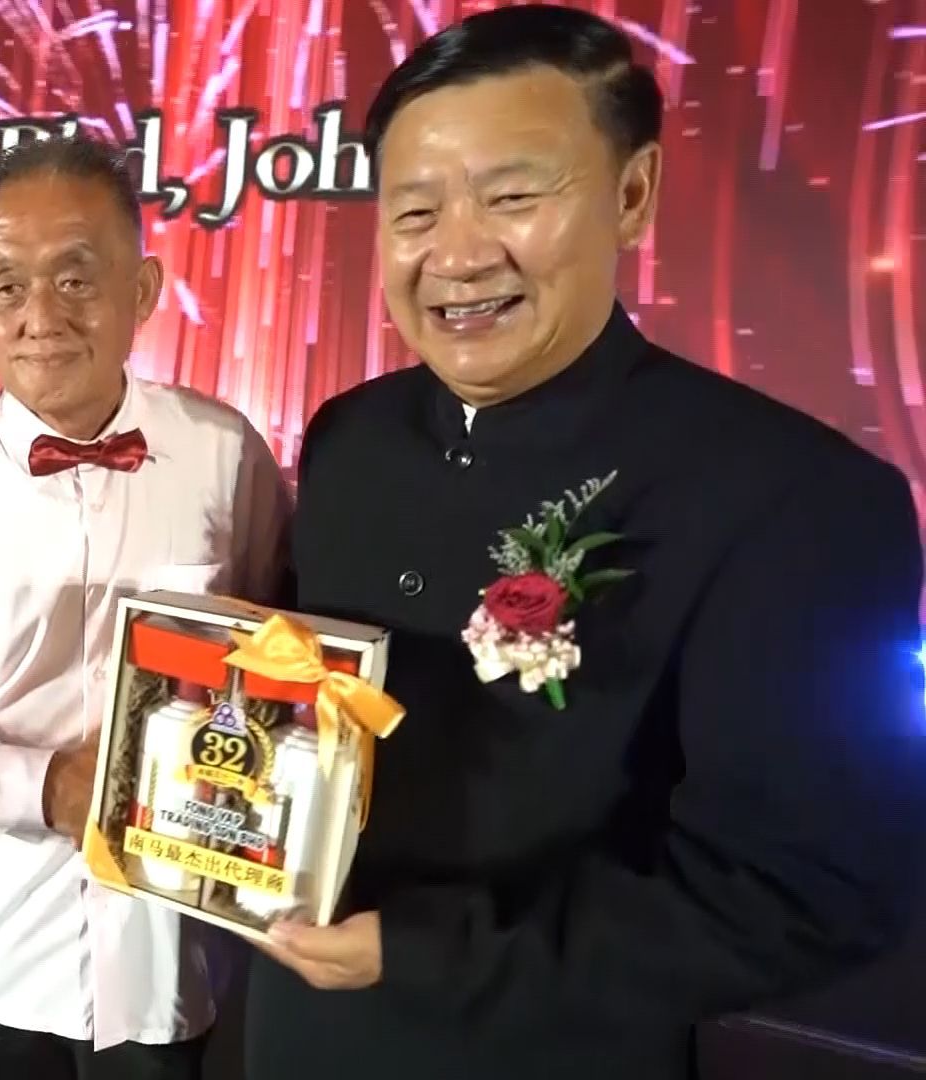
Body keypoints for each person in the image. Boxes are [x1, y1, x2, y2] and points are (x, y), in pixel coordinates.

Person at [246, 6, 926, 1079]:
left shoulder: (796, 496)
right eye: (415, 210)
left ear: (633, 194)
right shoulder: (347, 434)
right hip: (296, 1037)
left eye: (513, 197)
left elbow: (813, 890)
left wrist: (432, 953)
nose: (458, 253)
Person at [0, 133, 292, 1080]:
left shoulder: (226, 454)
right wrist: (47, 788)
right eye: (8, 285)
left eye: (77, 279)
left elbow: (273, 663)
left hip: (166, 955)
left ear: (144, 291)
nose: (40, 316)